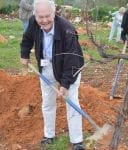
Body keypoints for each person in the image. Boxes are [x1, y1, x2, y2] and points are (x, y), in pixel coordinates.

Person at [20, 0, 85, 150]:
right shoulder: (34, 22)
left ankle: (77, 141)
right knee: (48, 102)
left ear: (54, 13)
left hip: (69, 68)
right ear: (35, 15)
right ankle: (49, 135)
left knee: (72, 103)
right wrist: (24, 54)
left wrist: (65, 84)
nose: (44, 20)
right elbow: (27, 38)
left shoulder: (67, 29)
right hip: (47, 66)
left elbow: (72, 60)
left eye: (47, 16)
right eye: (40, 17)